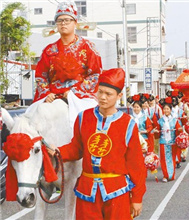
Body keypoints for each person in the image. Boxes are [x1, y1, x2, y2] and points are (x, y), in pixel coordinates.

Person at [48, 68, 146, 220]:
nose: (103, 97)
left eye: (108, 94)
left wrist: (137, 197)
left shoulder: (128, 124)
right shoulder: (83, 118)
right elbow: (76, 149)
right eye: (100, 92)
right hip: (87, 191)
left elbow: (136, 164)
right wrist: (57, 151)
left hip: (117, 191)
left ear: (119, 96)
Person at [29, 1, 102, 127]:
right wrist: (46, 94)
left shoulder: (88, 47)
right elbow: (41, 76)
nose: (63, 23)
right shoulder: (48, 51)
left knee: (91, 119)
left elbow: (95, 74)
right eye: (60, 20)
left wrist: (75, 92)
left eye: (67, 20)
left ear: (75, 23)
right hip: (52, 96)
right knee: (30, 117)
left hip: (80, 96)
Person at [156, 97, 182, 183]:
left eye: (168, 109)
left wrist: (179, 130)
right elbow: (157, 132)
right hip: (163, 142)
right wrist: (155, 131)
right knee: (163, 160)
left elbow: (179, 129)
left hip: (172, 142)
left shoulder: (174, 120)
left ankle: (171, 175)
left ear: (170, 110)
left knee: (171, 159)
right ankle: (165, 175)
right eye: (165, 109)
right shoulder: (160, 120)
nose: (166, 110)